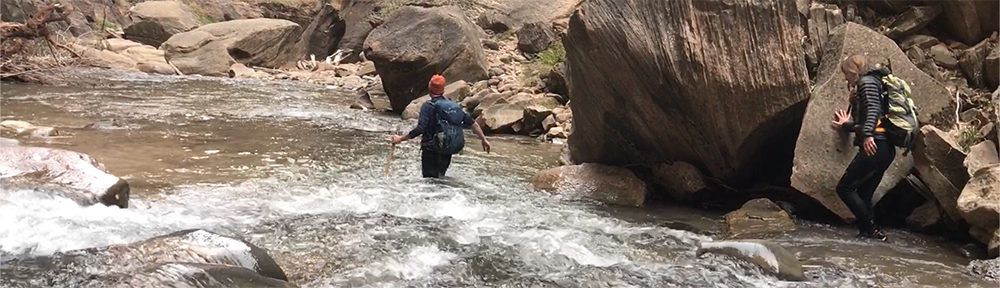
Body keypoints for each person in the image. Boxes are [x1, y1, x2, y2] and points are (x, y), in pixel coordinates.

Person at [830, 55, 895, 241]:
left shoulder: (867, 82)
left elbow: (873, 110)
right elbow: (864, 119)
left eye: (846, 74)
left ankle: (873, 231)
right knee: (865, 194)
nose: (845, 79)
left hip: (875, 146)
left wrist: (867, 136)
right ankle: (867, 233)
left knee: (844, 188)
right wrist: (846, 124)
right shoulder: (875, 83)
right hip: (885, 149)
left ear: (853, 71)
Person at [391, 75, 491, 178]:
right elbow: (473, 123)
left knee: (429, 181)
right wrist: (484, 139)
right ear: (443, 89)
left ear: (429, 87)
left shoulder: (428, 106)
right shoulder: (453, 106)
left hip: (430, 150)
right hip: (446, 149)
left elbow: (420, 128)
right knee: (440, 179)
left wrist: (400, 139)